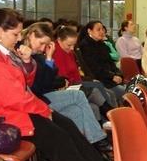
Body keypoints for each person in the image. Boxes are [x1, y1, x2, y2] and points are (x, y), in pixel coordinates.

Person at [0, 7, 121, 161]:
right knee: (57, 139)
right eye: (15, 34)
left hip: (13, 110)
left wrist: (26, 62)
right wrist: (43, 109)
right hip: (1, 118)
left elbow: (23, 82)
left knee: (66, 124)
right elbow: (13, 97)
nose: (18, 39)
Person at [23, 23, 111, 152]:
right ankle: (98, 140)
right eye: (41, 43)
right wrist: (46, 61)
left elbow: (47, 81)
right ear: (31, 36)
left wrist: (48, 59)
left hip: (46, 94)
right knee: (80, 95)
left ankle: (86, 149)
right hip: (39, 99)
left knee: (77, 110)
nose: (43, 48)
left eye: (45, 45)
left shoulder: (40, 56)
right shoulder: (26, 56)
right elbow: (39, 86)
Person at [78, 21, 125, 104]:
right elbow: (94, 68)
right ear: (89, 31)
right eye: (98, 29)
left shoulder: (102, 44)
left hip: (110, 78)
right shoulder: (85, 46)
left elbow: (111, 62)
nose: (102, 32)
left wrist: (118, 74)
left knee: (132, 90)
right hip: (100, 79)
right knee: (124, 92)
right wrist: (112, 76)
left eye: (102, 29)